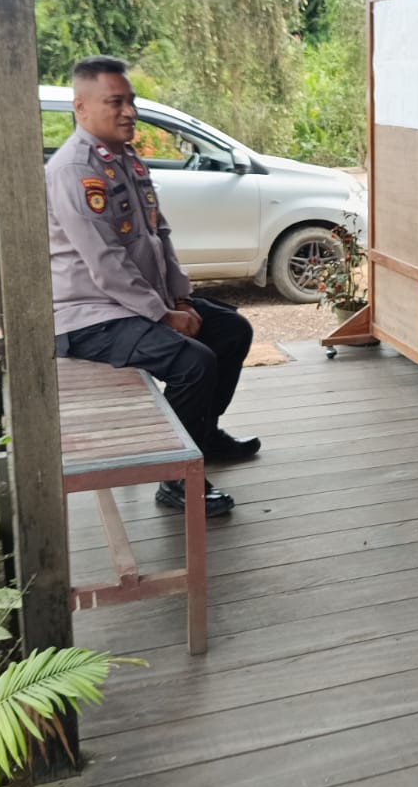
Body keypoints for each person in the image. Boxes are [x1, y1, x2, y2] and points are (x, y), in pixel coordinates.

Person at [46, 55, 261, 519]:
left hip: (135, 304)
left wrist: (180, 299)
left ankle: (202, 438)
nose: (130, 112)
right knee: (193, 363)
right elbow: (105, 262)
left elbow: (159, 235)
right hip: (90, 316)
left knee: (231, 331)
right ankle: (176, 479)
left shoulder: (126, 160)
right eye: (115, 102)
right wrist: (163, 315)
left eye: (131, 101)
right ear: (81, 108)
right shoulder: (73, 171)